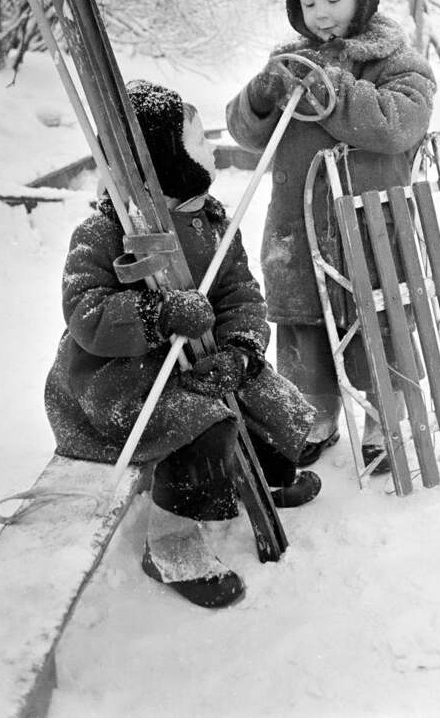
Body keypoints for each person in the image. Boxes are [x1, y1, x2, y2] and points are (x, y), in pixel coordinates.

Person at [45, 79, 320, 610]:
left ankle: (263, 474)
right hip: (117, 383)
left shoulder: (211, 219)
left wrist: (239, 347)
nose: (211, 151)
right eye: (197, 141)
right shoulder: (105, 231)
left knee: (255, 385)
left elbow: (241, 291)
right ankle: (170, 546)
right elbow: (86, 315)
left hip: (195, 358)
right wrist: (157, 313)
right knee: (200, 422)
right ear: (163, 157)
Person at [226, 0, 437, 473]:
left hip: (371, 227)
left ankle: (382, 423)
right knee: (304, 331)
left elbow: (398, 124)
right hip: (298, 226)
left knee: (377, 325)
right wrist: (260, 95)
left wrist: (333, 91)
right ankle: (311, 421)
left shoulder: (395, 61)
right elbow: (248, 134)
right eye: (308, 2)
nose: (320, 14)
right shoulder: (290, 60)